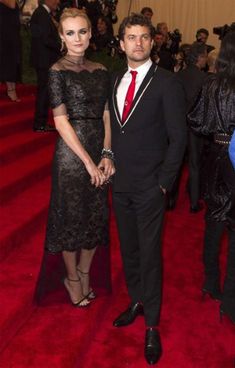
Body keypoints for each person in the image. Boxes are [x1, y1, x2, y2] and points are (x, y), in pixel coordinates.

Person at [109, 13, 186, 365]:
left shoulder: (167, 83)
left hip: (150, 187)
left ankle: (152, 324)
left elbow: (179, 139)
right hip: (120, 184)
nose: (137, 43)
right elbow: (115, 130)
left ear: (152, 41)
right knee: (130, 250)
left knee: (151, 255)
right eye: (130, 37)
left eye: (143, 37)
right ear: (121, 42)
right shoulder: (115, 79)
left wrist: (162, 184)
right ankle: (137, 300)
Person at [42, 8, 115, 307]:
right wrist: (87, 161)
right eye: (70, 33)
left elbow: (108, 115)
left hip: (100, 150)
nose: (77, 38)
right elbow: (60, 122)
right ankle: (71, 278)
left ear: (90, 33)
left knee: (96, 216)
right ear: (61, 36)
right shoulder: (56, 71)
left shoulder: (101, 70)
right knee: (71, 218)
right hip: (72, 157)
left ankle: (85, 272)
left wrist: (107, 154)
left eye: (82, 31)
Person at [188, 31, 235, 324]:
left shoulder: (211, 84)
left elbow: (195, 120)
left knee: (214, 221)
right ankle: (230, 300)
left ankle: (210, 281)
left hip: (215, 158)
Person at [177, 42, 208, 212]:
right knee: (195, 165)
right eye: (204, 56)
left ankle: (170, 201)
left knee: (176, 163)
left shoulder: (178, 76)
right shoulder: (205, 79)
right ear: (199, 58)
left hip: (178, 127)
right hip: (196, 128)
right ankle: (194, 203)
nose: (206, 60)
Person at [30, 0, 61, 132]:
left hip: (45, 60)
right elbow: (45, 38)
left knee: (45, 92)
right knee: (44, 92)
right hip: (44, 60)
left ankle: (41, 122)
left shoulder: (43, 13)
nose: (57, 1)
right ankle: (39, 124)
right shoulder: (42, 14)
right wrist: (60, 46)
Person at [0, 0, 21, 102]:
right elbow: (12, 4)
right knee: (8, 59)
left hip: (12, 29)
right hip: (5, 30)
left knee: (12, 58)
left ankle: (12, 89)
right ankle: (11, 89)